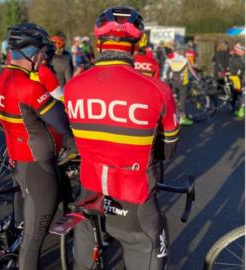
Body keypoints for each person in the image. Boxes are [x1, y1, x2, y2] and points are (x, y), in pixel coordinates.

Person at [65, 7, 179, 270]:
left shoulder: (73, 87)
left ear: (97, 43)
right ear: (137, 44)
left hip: (90, 189)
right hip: (134, 196)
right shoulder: (158, 89)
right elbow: (169, 150)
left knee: (84, 253)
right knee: (146, 246)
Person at [0, 23, 77, 270]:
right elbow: (62, 122)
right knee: (33, 241)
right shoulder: (28, 87)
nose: (43, 57)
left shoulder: (3, 80)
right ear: (30, 52)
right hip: (38, 165)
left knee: (30, 229)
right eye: (41, 51)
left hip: (18, 159)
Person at [162, 44, 199, 126]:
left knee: (172, 100)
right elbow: (192, 71)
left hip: (172, 82)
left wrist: (164, 81)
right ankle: (182, 118)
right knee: (182, 101)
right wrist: (198, 79)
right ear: (180, 51)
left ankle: (171, 117)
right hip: (183, 83)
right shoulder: (185, 60)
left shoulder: (169, 59)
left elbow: (165, 72)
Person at [229, 43, 245, 118]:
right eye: (242, 50)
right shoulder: (234, 58)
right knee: (238, 92)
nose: (244, 51)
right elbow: (241, 66)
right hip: (236, 78)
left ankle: (239, 107)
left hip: (241, 77)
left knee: (239, 93)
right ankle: (236, 107)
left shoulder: (241, 57)